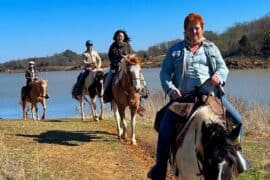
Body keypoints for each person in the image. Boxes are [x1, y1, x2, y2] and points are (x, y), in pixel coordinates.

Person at [147, 12, 243, 179]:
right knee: (165, 125)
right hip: (183, 99)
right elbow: (164, 74)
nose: (194, 32)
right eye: (190, 29)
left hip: (210, 96)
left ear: (202, 29)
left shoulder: (211, 48)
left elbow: (223, 68)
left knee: (238, 120)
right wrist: (171, 90)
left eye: (196, 28)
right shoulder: (174, 50)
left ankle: (235, 159)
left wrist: (218, 77)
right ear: (185, 31)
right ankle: (160, 166)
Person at [104, 30, 148, 116]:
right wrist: (119, 61)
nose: (120, 37)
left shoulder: (128, 46)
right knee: (108, 79)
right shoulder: (112, 46)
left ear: (124, 37)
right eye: (119, 36)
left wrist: (128, 59)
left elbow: (132, 56)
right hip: (116, 68)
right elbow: (111, 57)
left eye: (122, 36)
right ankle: (107, 96)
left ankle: (142, 97)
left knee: (140, 78)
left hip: (128, 68)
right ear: (116, 37)